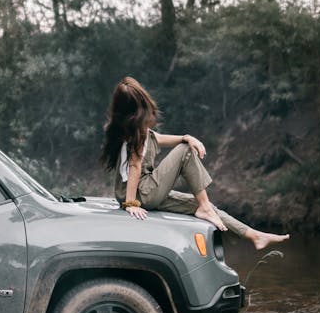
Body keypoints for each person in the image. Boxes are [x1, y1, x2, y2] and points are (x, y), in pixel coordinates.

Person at [101, 76, 289, 251]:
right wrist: (131, 204)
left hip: (140, 192)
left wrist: (185, 137)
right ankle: (206, 207)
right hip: (139, 193)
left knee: (198, 204)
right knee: (186, 152)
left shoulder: (133, 130)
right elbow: (134, 168)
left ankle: (253, 235)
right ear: (135, 110)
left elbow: (158, 138)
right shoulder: (134, 134)